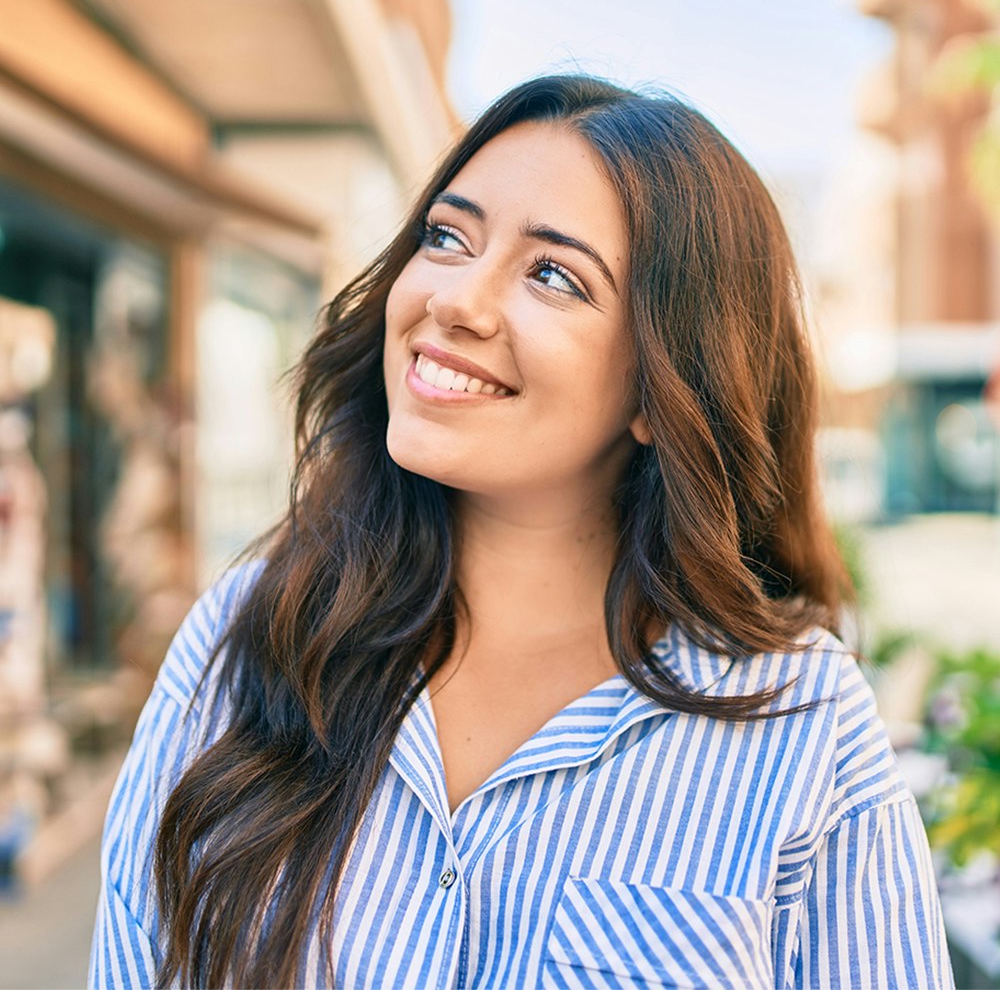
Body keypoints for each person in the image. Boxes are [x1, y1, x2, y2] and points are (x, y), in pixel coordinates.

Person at [90, 75, 954, 989]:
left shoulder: (802, 723)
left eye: (553, 275)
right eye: (446, 237)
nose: (456, 299)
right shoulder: (248, 630)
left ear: (665, 385)